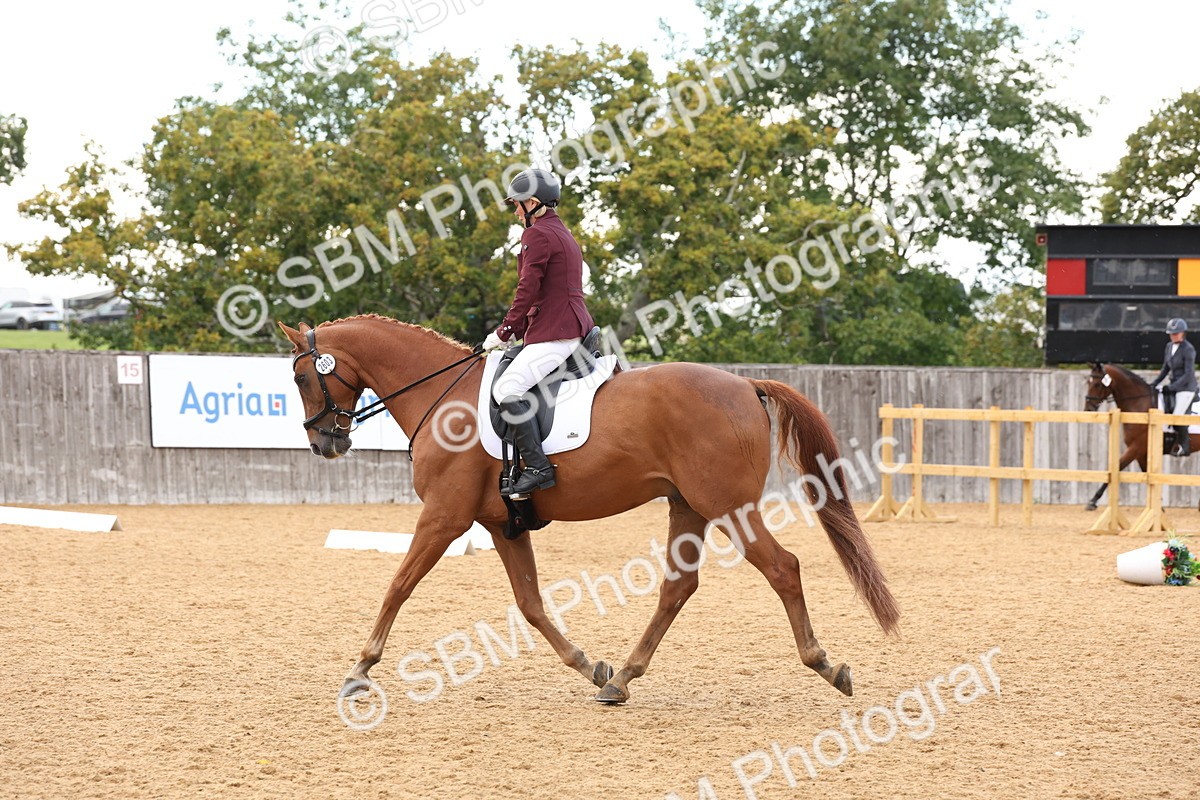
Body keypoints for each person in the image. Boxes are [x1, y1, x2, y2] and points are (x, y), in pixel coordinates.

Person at [481, 168, 595, 496]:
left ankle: (537, 467)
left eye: (517, 205)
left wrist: (505, 331)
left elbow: (528, 288)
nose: (516, 212)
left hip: (556, 331)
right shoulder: (562, 232)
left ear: (532, 202)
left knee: (507, 388)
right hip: (568, 324)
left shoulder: (537, 235)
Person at [1150, 317, 1197, 456]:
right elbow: (1165, 368)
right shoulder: (1169, 347)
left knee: (1176, 416)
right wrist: (1155, 383)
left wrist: (1172, 387)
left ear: (1183, 333)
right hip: (1173, 386)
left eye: (1176, 333)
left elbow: (1189, 374)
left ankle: (1185, 446)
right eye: (1171, 334)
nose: (1173, 336)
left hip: (1186, 389)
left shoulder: (1189, 349)